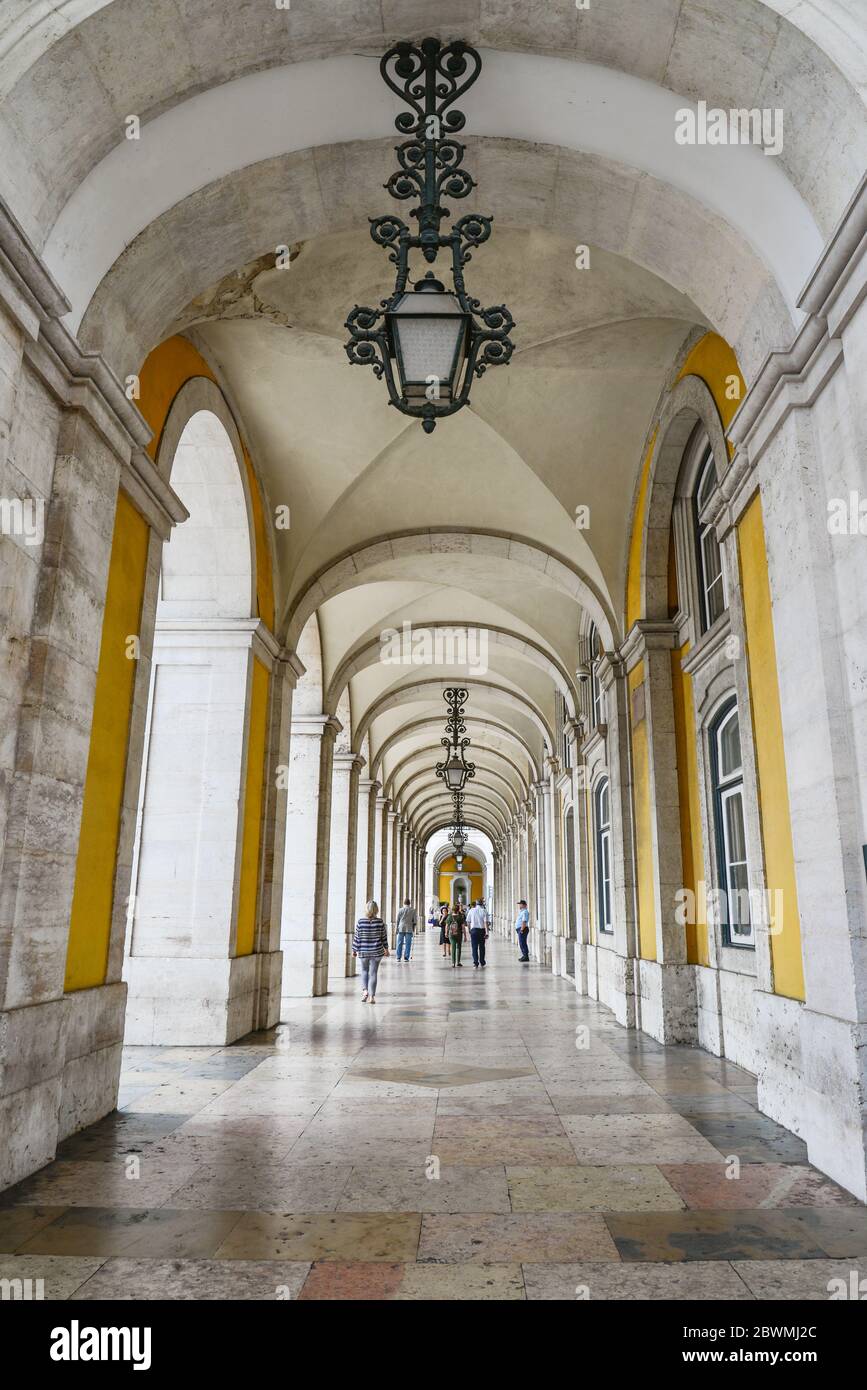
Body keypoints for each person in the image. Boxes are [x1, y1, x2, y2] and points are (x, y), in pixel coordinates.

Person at [352, 899, 389, 1003]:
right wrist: (386, 949)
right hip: (377, 951)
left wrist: (354, 949)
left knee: (364, 971)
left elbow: (357, 937)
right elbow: (383, 937)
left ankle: (365, 992)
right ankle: (372, 997)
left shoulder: (361, 922)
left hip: (363, 951)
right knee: (373, 973)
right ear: (376, 910)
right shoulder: (380, 922)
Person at [467, 898, 488, 968]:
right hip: (482, 930)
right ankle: (482, 962)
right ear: (482, 903)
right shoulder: (484, 911)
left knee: (474, 947)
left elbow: (468, 921)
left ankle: (475, 963)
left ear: (476, 904)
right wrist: (487, 932)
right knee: (482, 947)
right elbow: (485, 923)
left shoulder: (471, 910)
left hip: (474, 930)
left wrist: (469, 930)